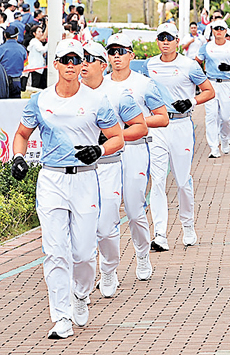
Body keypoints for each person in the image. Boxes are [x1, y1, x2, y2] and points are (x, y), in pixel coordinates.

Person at [10, 39, 124, 340]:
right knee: (55, 252)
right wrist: (18, 157)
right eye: (65, 59)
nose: (72, 64)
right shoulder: (40, 101)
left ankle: (81, 294)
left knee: (84, 254)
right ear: (55, 64)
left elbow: (117, 138)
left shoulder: (97, 100)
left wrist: (98, 150)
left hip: (86, 179)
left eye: (77, 59)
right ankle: (61, 316)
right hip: (52, 181)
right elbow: (22, 134)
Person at [78, 42, 149, 298]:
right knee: (80, 227)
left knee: (108, 225)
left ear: (102, 65)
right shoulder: (70, 94)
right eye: (79, 59)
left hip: (110, 165)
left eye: (89, 59)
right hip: (79, 170)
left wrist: (110, 139)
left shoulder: (119, 94)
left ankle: (110, 268)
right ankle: (80, 284)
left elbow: (141, 127)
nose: (82, 64)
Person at [104, 33, 170, 283]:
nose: (117, 56)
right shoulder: (100, 86)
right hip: (108, 153)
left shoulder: (144, 84)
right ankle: (108, 269)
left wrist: (135, 122)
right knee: (106, 212)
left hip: (135, 148)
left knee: (133, 210)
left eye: (122, 51)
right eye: (112, 52)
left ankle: (142, 254)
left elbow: (162, 117)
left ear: (132, 54)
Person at [146, 22, 215, 251]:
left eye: (169, 38)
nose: (165, 41)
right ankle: (160, 234)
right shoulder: (150, 65)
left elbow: (209, 91)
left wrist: (191, 101)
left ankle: (188, 226)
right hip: (158, 126)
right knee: (156, 180)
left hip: (181, 125)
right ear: (157, 41)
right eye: (161, 37)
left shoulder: (189, 65)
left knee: (182, 180)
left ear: (177, 41)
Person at [195, 19, 230, 158]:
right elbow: (196, 62)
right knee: (211, 116)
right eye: (216, 28)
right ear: (212, 30)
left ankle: (224, 138)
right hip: (211, 84)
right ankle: (213, 147)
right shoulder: (206, 47)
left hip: (226, 84)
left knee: (225, 117)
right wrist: (200, 78)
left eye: (221, 29)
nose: (218, 31)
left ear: (225, 31)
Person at [0, 25, 27, 98]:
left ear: (5, 36)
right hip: (16, 81)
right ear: (17, 36)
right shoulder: (22, 49)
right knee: (15, 105)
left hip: (2, 82)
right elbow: (26, 65)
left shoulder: (1, 49)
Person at [26, 25, 47, 89]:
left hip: (39, 67)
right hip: (35, 67)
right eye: (39, 31)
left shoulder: (38, 42)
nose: (41, 33)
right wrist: (48, 44)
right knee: (35, 86)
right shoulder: (34, 42)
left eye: (41, 31)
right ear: (34, 33)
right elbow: (42, 49)